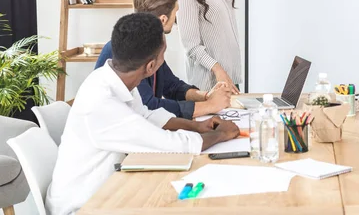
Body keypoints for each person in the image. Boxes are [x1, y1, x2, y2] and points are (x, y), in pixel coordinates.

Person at [46, 13, 239, 215]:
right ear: (150, 66)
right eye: (164, 54)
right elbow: (172, 145)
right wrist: (221, 135)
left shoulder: (113, 79)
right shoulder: (102, 103)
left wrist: (197, 126)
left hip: (108, 191)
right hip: (82, 207)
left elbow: (146, 116)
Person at [95, 0, 232, 119]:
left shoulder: (149, 44)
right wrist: (209, 106)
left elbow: (171, 86)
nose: (177, 19)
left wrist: (206, 96)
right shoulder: (125, 50)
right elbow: (148, 107)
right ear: (163, 20)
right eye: (175, 12)